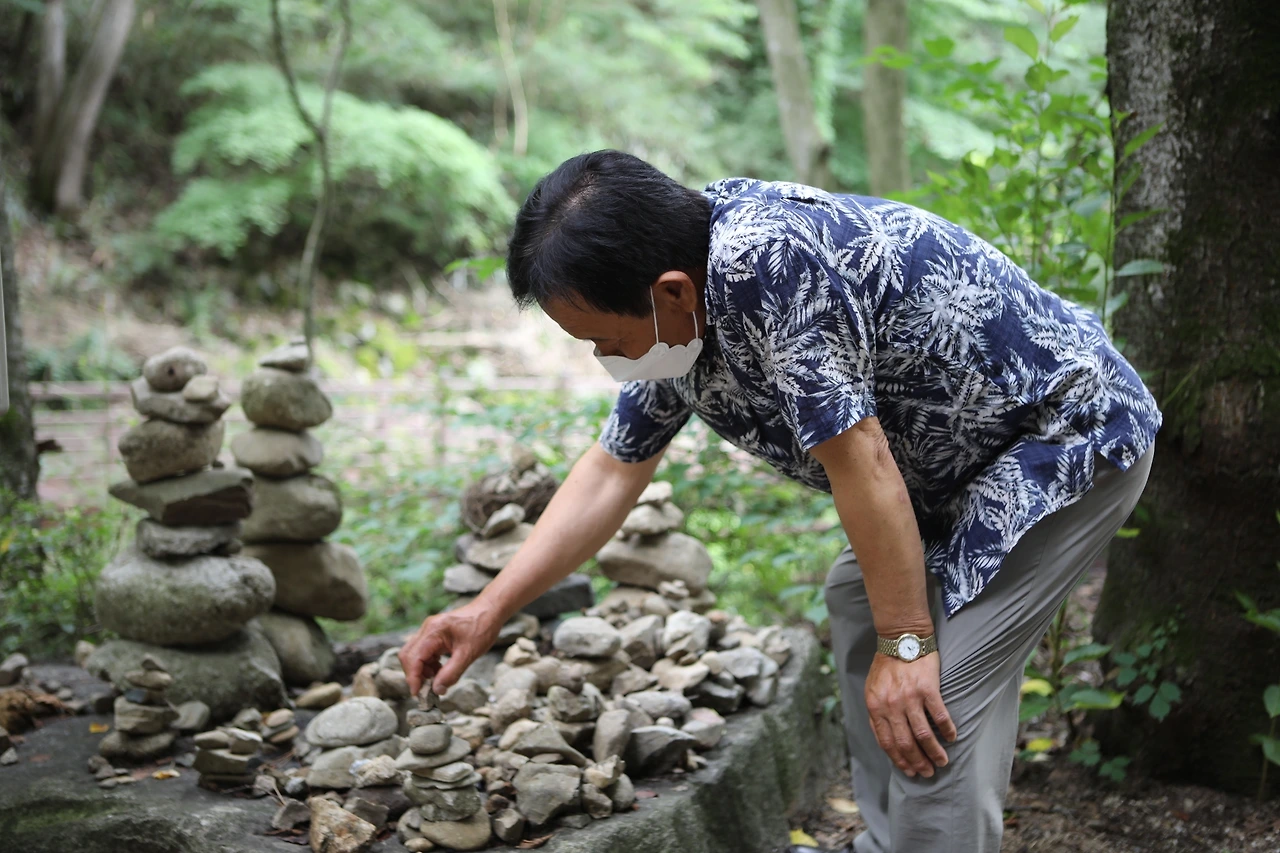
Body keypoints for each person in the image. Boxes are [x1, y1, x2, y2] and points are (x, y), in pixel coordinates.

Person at [399, 150, 1161, 853]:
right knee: (857, 600)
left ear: (670, 292)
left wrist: (909, 645)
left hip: (1061, 440)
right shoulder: (676, 318)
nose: (609, 359)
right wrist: (488, 609)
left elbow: (862, 461)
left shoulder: (768, 263)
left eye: (610, 341)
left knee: (936, 699)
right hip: (952, 474)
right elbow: (611, 470)